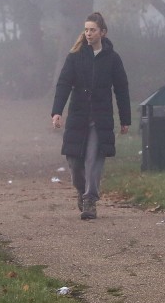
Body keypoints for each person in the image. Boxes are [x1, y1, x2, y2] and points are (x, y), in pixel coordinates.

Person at [50, 12, 132, 220]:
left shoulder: (113, 59)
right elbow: (63, 84)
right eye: (86, 29)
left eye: (92, 30)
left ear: (102, 32)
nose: (88, 33)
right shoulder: (75, 56)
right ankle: (81, 189)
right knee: (75, 163)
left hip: (101, 117)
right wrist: (57, 111)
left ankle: (90, 200)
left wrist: (125, 119)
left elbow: (121, 89)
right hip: (78, 115)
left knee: (94, 158)